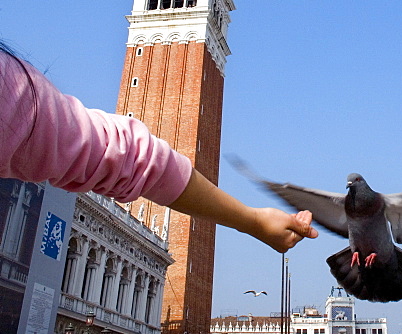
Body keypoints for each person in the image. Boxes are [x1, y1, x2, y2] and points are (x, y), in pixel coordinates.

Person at [0, 46, 317, 254]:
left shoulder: (12, 94)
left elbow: (130, 156)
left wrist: (255, 221)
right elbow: (132, 156)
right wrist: (253, 221)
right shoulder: (11, 88)